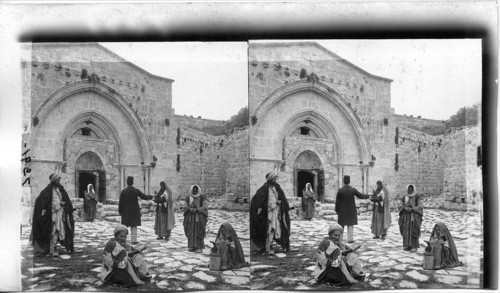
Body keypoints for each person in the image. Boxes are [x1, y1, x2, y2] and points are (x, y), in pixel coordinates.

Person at [30, 174, 75, 257]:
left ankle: (54, 247)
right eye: (57, 180)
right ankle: (51, 249)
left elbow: (66, 200)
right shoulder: (47, 190)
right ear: (53, 180)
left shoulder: (60, 189)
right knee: (53, 231)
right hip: (52, 215)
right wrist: (58, 205)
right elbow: (41, 201)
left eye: (59, 180)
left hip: (60, 214)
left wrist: (67, 207)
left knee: (59, 231)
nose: (59, 182)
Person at [250, 172, 291, 255]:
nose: (275, 180)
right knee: (269, 230)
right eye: (273, 179)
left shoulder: (277, 188)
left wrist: (281, 204)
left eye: (275, 179)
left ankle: (280, 245)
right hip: (268, 213)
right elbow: (257, 200)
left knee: (277, 229)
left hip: (277, 213)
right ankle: (269, 247)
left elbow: (282, 198)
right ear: (270, 179)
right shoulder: (264, 189)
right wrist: (261, 208)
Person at [119, 176, 153, 244]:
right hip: (134, 211)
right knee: (134, 226)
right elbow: (144, 197)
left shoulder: (123, 191)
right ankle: (133, 240)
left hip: (126, 211)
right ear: (133, 182)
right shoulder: (136, 191)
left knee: (124, 227)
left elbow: (121, 203)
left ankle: (122, 240)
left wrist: (120, 211)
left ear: (127, 182)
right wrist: (151, 196)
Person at [335, 175, 369, 243]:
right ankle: (350, 239)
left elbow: (337, 202)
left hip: (342, 211)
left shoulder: (340, 191)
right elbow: (361, 196)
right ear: (349, 181)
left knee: (341, 225)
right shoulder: (353, 190)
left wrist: (337, 210)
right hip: (351, 210)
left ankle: (340, 239)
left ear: (343, 181)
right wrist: (368, 196)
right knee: (350, 225)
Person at [183, 185, 208, 253]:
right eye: (193, 189)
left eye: (196, 190)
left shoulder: (202, 197)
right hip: (190, 218)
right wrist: (189, 209)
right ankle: (191, 246)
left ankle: (199, 247)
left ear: (198, 190)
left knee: (198, 231)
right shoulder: (188, 198)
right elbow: (185, 206)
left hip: (198, 218)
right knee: (191, 232)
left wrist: (198, 209)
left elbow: (205, 206)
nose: (194, 191)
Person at [398, 184, 423, 252]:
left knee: (413, 230)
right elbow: (399, 205)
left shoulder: (417, 197)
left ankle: (414, 246)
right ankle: (407, 245)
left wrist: (413, 209)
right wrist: (405, 208)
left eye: (411, 189)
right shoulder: (404, 197)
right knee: (406, 231)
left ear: (413, 190)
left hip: (413, 217)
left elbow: (420, 206)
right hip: (405, 217)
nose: (410, 190)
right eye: (409, 189)